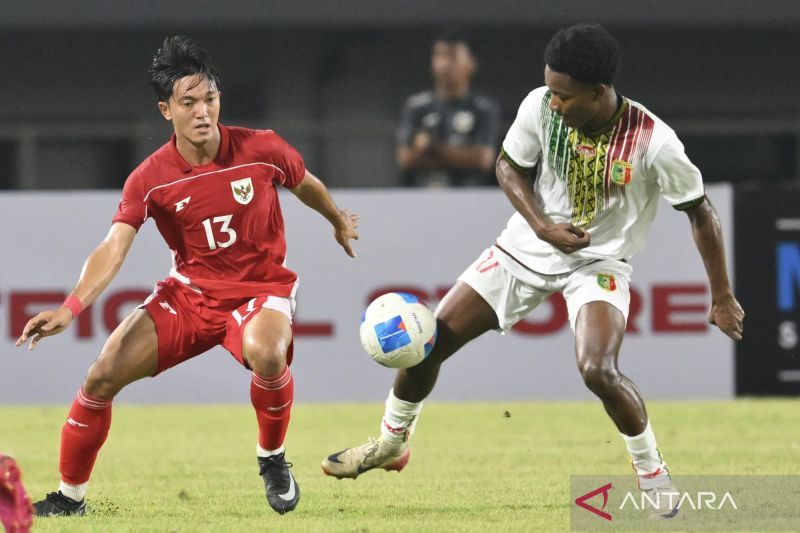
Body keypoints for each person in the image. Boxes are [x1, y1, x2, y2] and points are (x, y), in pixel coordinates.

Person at [322, 24, 744, 518]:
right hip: (523, 249)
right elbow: (508, 166)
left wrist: (721, 295)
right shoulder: (540, 104)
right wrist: (542, 225)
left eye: (566, 95)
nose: (555, 102)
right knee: (427, 345)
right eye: (552, 89)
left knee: (598, 370)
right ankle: (392, 445)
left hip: (598, 262)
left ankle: (654, 479)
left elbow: (700, 210)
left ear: (599, 92)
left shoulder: (652, 141)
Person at [16, 35, 359, 517]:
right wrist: (71, 308)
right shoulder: (150, 178)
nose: (203, 112)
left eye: (211, 99)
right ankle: (70, 499)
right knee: (101, 375)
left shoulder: (262, 148)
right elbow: (115, 245)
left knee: (266, 351)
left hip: (260, 292)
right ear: (166, 110)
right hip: (190, 297)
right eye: (189, 102)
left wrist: (336, 219)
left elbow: (306, 184)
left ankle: (272, 458)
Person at [396, 32, 501, 187]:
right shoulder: (416, 107)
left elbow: (482, 160)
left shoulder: (483, 109)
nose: (445, 64)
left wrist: (431, 148)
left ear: (470, 64)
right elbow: (405, 159)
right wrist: (461, 154)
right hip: (421, 198)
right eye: (440, 56)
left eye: (453, 56)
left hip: (470, 198)